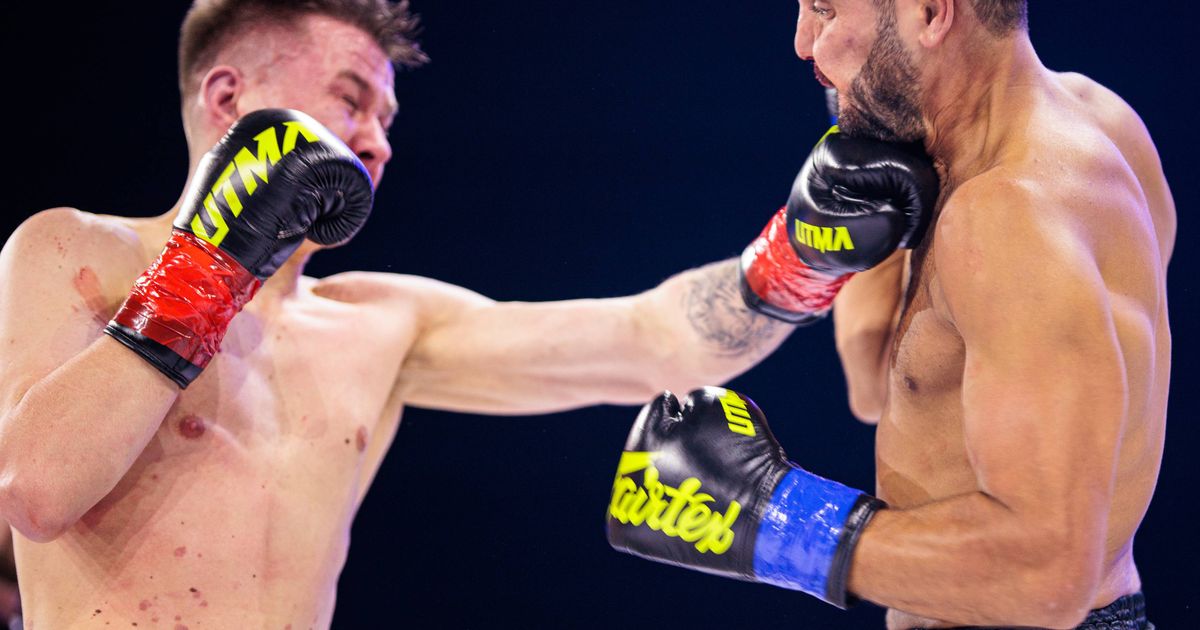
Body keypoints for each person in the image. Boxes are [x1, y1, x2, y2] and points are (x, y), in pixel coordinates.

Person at [0, 0, 931, 627]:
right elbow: (34, 491)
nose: (376, 142)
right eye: (351, 99)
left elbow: (654, 339)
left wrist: (801, 254)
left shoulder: (380, 324)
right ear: (228, 97)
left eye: (388, 120)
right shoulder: (73, 252)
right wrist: (209, 265)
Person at [605, 1, 1174, 629]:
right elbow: (882, 389)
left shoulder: (1006, 220)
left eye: (825, 10)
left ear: (930, 13)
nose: (803, 43)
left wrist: (773, 519)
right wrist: (861, 237)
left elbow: (1048, 577)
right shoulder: (1102, 123)